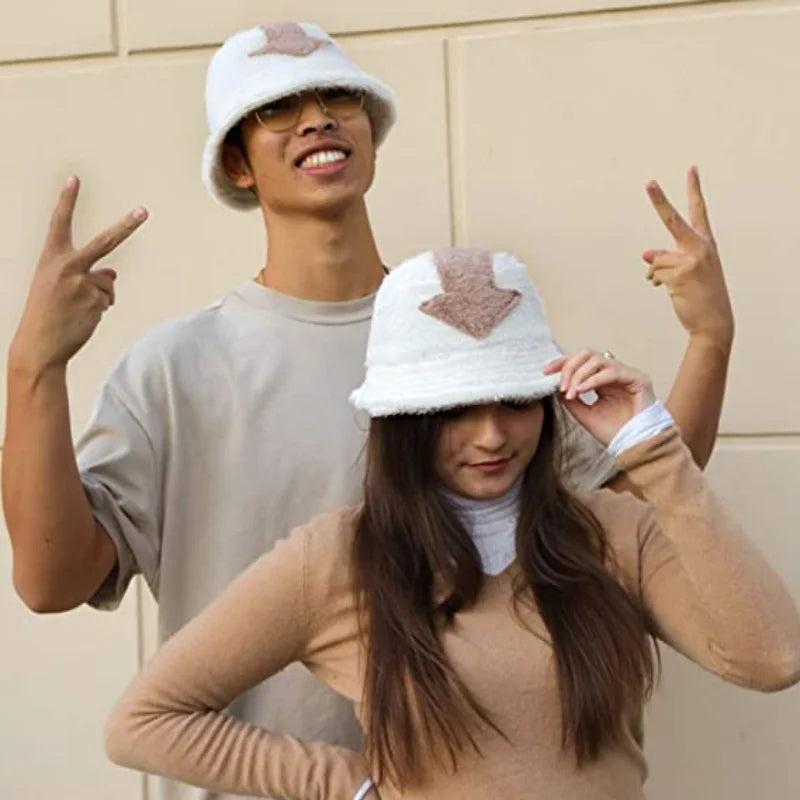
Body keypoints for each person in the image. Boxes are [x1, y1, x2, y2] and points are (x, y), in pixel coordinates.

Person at [4, 20, 732, 800]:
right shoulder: (172, 371)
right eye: (277, 109)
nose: (317, 119)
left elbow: (630, 513)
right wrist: (33, 369)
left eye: (338, 98)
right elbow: (53, 581)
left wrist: (710, 339)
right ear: (236, 163)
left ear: (372, 133)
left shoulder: (466, 328)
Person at [103, 248, 800, 800]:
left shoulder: (614, 532)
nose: (492, 435)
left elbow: (774, 660)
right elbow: (145, 720)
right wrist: (349, 784)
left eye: (515, 401)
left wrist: (653, 449)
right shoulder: (339, 558)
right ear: (402, 420)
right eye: (454, 409)